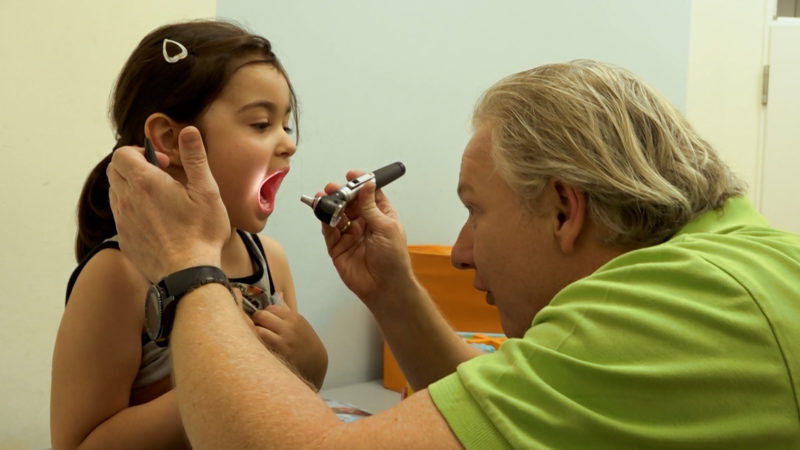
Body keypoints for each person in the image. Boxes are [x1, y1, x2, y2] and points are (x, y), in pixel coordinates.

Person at [105, 59, 800, 448]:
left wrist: (188, 270)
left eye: (475, 211)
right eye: (260, 123)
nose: (461, 253)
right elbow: (505, 408)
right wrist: (393, 293)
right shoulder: (732, 265)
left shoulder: (674, 306)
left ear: (565, 207)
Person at [51, 20, 327, 449]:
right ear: (170, 139)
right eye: (260, 124)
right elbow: (78, 443)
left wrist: (312, 362)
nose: (287, 144)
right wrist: (226, 380)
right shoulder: (118, 276)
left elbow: (289, 410)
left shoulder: (270, 261)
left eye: (285, 126)